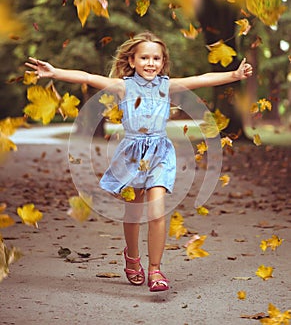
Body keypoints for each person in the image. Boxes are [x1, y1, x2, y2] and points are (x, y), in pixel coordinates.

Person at [25, 31, 253, 292]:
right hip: (131, 155)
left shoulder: (166, 85)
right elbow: (88, 77)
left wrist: (234, 75)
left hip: (160, 153)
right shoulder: (124, 86)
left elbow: (202, 79)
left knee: (157, 211)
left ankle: (155, 270)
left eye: (156, 58)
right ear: (132, 61)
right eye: (144, 57)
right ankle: (132, 258)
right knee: (133, 213)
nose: (150, 63)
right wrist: (55, 73)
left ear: (163, 61)